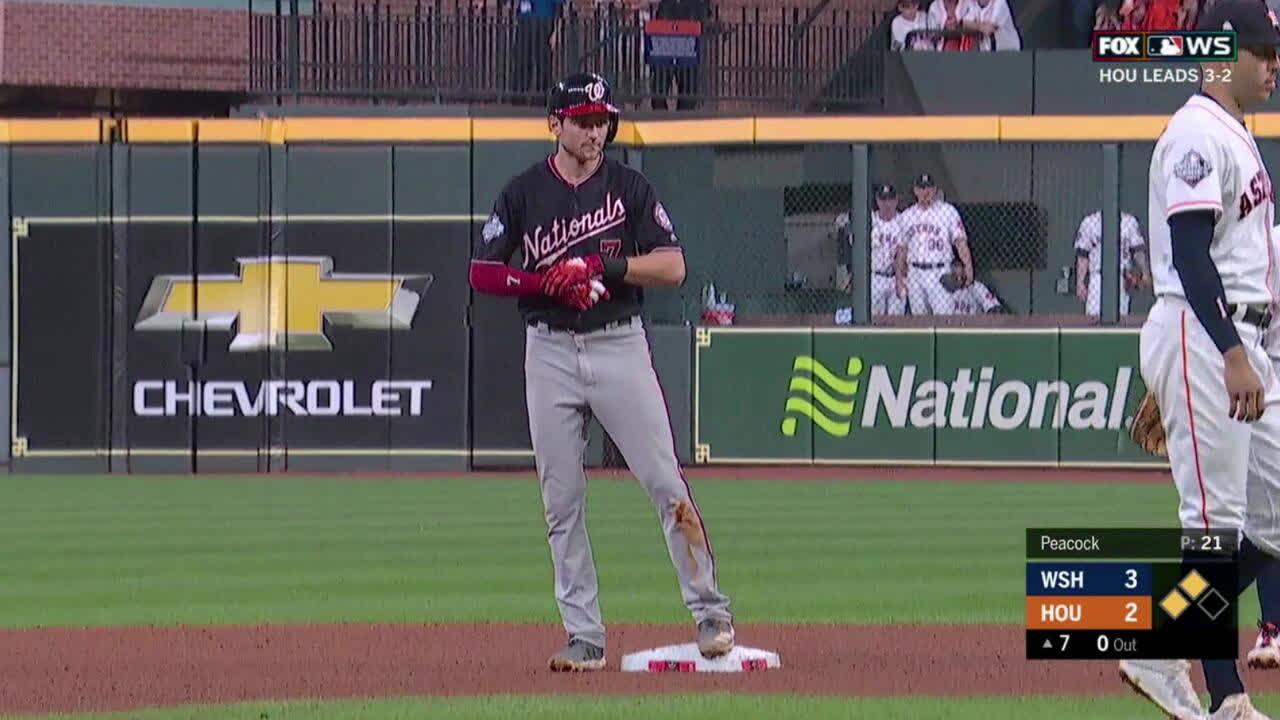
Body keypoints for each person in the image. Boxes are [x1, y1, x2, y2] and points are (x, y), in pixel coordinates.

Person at [468, 72, 735, 672]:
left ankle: (711, 612)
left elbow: (672, 267)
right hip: (549, 350)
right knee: (561, 500)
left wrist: (600, 265)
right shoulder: (523, 192)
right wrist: (545, 283)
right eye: (583, 121)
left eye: (602, 121)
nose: (595, 131)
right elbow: (482, 272)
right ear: (555, 124)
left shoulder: (628, 187)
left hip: (618, 343)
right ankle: (584, 635)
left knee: (665, 482)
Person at [1122, 2, 1280, 717]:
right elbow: (1189, 254)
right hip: (1206, 334)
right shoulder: (1195, 132)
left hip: (1242, 340)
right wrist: (1228, 352)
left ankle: (1161, 642)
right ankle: (1228, 698)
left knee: (1271, 519)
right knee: (1214, 523)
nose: (1273, 65)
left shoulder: (1236, 133)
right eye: (1261, 52)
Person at [896, 172, 973, 315]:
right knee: (919, 318)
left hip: (940, 271)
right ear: (915, 191)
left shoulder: (948, 211)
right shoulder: (907, 216)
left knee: (944, 317)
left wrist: (968, 266)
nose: (925, 192)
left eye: (929, 188)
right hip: (915, 273)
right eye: (922, 188)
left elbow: (960, 242)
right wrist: (899, 278)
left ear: (935, 190)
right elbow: (902, 250)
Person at [1073, 209, 1151, 317]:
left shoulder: (1129, 222)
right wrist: (1080, 282)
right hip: (1097, 276)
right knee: (1094, 317)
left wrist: (1145, 272)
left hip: (1122, 276)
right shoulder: (1089, 222)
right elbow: (1083, 254)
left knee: (1121, 317)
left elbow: (1138, 251)